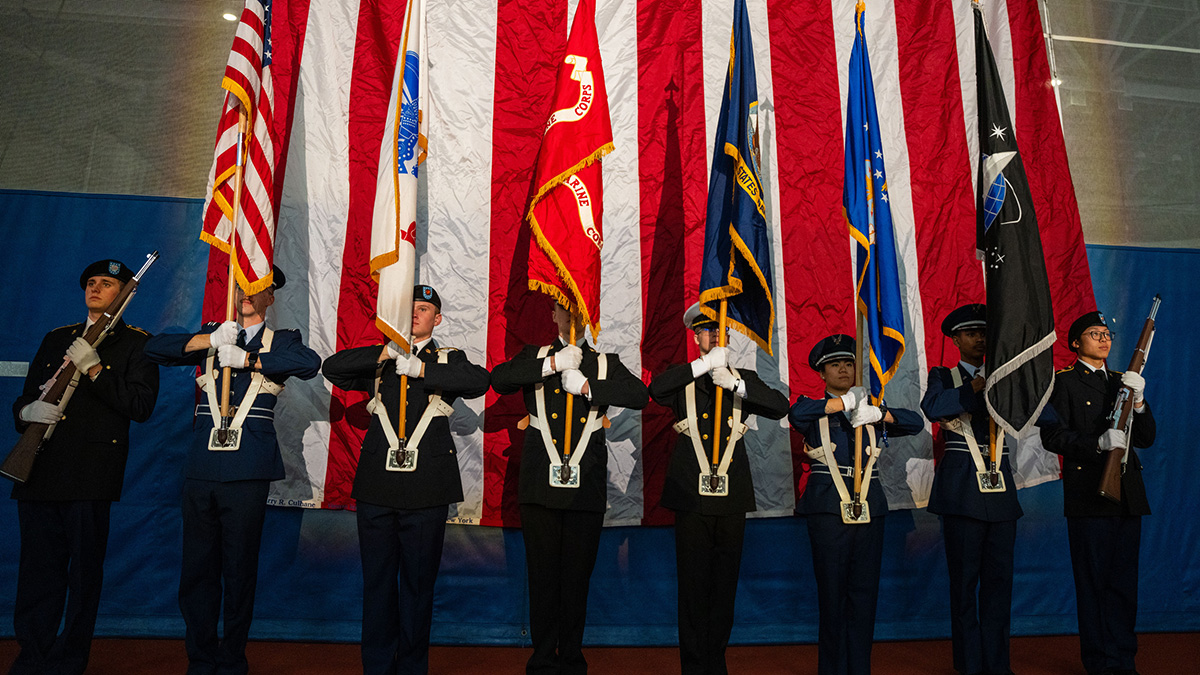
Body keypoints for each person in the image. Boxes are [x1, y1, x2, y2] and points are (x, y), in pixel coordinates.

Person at [143, 267, 320, 675]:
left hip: (247, 470)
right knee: (197, 570)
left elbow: (309, 363)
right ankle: (200, 658)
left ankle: (232, 658)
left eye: (258, 288)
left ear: (270, 298)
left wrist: (250, 358)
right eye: (242, 284)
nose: (246, 293)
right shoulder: (213, 331)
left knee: (239, 570)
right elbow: (154, 350)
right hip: (203, 468)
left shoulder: (282, 340)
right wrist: (211, 339)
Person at [321, 285, 489, 675]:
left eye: (425, 308)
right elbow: (333, 368)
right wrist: (385, 352)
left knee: (417, 588)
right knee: (377, 585)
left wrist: (422, 369)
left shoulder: (447, 358)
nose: (416, 313)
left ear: (438, 319)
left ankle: (412, 668)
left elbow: (478, 382)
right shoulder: (382, 358)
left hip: (426, 489)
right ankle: (377, 667)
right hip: (378, 488)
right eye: (410, 307)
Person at [8, 259, 160, 675]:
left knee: (83, 578)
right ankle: (32, 656)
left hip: (90, 475)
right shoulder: (57, 337)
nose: (95, 288)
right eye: (90, 283)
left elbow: (140, 406)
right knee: (38, 574)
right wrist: (28, 413)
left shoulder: (136, 344)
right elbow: (23, 401)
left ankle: (70, 660)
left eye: (106, 283)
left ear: (124, 293)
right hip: (40, 470)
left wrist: (95, 368)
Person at [490, 301, 648, 675]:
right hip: (539, 485)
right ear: (553, 316)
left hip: (586, 485)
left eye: (577, 308)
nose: (570, 315)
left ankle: (573, 660)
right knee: (543, 578)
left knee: (577, 579)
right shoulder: (536, 355)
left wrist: (589, 385)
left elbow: (639, 396)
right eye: (563, 309)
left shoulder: (605, 362)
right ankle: (543, 660)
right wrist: (552, 366)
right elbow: (499, 379)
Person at [648, 304, 788, 675]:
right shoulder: (684, 377)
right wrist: (702, 368)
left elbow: (779, 406)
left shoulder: (743, 376)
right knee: (693, 588)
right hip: (691, 496)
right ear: (695, 338)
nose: (714, 337)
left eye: (719, 331)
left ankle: (716, 664)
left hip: (731, 497)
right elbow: (655, 390)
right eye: (707, 331)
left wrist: (737, 384)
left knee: (724, 588)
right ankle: (694, 668)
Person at [788, 334, 923, 675]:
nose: (844, 369)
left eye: (849, 363)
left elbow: (916, 422)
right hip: (829, 509)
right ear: (822, 374)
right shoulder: (814, 408)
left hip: (869, 506)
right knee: (833, 597)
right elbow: (796, 412)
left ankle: (860, 668)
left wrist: (880, 413)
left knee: (864, 595)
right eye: (835, 365)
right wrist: (843, 404)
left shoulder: (871, 410)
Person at [1040, 311, 1155, 675]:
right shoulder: (1064, 383)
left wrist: (1138, 402)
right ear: (1076, 343)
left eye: (1107, 334)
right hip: (1090, 494)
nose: (1105, 339)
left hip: (1127, 496)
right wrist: (1097, 444)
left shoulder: (1124, 380)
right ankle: (1100, 663)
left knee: (1124, 586)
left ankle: (1124, 660)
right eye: (1095, 334)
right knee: (1094, 586)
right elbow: (1052, 436)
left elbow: (1147, 438)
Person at [921, 303, 1021, 675]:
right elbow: (932, 407)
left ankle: (998, 666)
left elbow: (1045, 415)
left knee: (999, 587)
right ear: (956, 339)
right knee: (964, 589)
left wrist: (1014, 383)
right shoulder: (944, 376)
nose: (980, 338)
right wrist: (973, 388)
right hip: (962, 493)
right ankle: (969, 666)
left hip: (1002, 497)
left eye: (984, 332)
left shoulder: (1005, 376)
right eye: (971, 333)